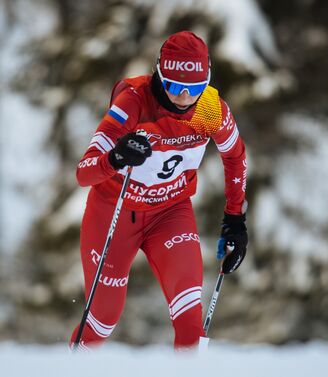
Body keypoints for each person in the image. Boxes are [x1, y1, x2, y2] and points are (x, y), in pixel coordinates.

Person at [71, 31, 248, 350]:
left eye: (194, 89)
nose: (183, 98)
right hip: (115, 211)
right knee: (102, 320)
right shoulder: (135, 100)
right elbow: (84, 172)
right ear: (159, 75)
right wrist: (116, 156)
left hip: (171, 213)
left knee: (191, 323)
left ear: (206, 82)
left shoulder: (210, 110)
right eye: (173, 86)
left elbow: (235, 156)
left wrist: (235, 219)